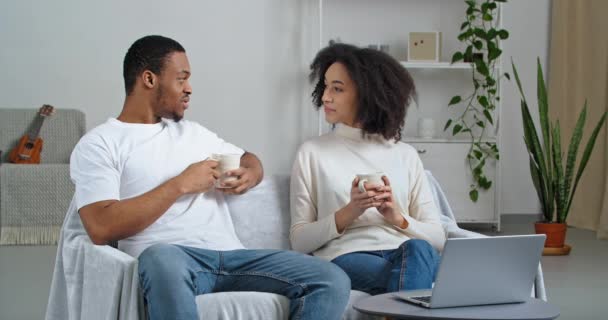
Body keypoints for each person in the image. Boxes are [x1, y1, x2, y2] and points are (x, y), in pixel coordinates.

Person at [71, 35, 350, 320]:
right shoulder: (101, 143)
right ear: (149, 79)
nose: (189, 89)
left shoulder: (194, 133)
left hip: (233, 257)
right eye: (181, 79)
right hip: (173, 258)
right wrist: (181, 184)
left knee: (331, 278)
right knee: (159, 259)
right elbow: (100, 226)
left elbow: (248, 159)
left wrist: (250, 174)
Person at [290, 43, 447, 295]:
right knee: (419, 269)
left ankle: (394, 311)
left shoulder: (405, 155)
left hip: (407, 253)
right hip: (348, 256)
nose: (325, 97)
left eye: (337, 89)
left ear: (367, 94)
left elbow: (437, 238)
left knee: (420, 250)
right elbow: (299, 242)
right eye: (325, 86)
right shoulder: (312, 152)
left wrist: (397, 217)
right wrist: (351, 211)